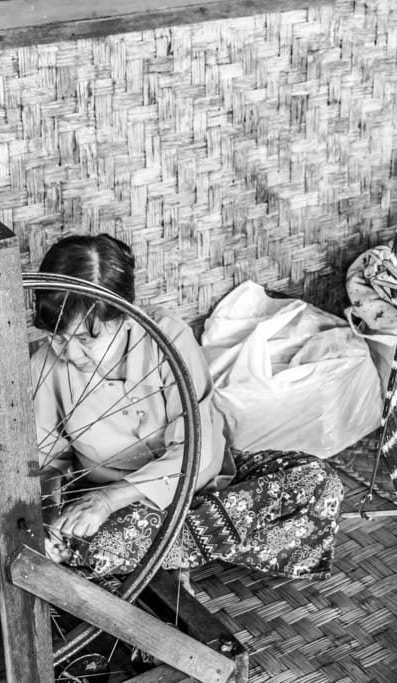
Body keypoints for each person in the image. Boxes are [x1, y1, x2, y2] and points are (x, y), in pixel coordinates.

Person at [31, 234, 344, 579]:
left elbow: (197, 452)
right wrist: (53, 515)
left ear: (126, 316)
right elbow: (48, 460)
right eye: (59, 337)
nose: (71, 354)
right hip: (107, 509)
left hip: (200, 490)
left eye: (86, 339)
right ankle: (160, 548)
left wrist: (111, 499)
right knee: (96, 536)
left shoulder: (168, 338)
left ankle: (151, 553)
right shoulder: (46, 365)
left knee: (316, 482)